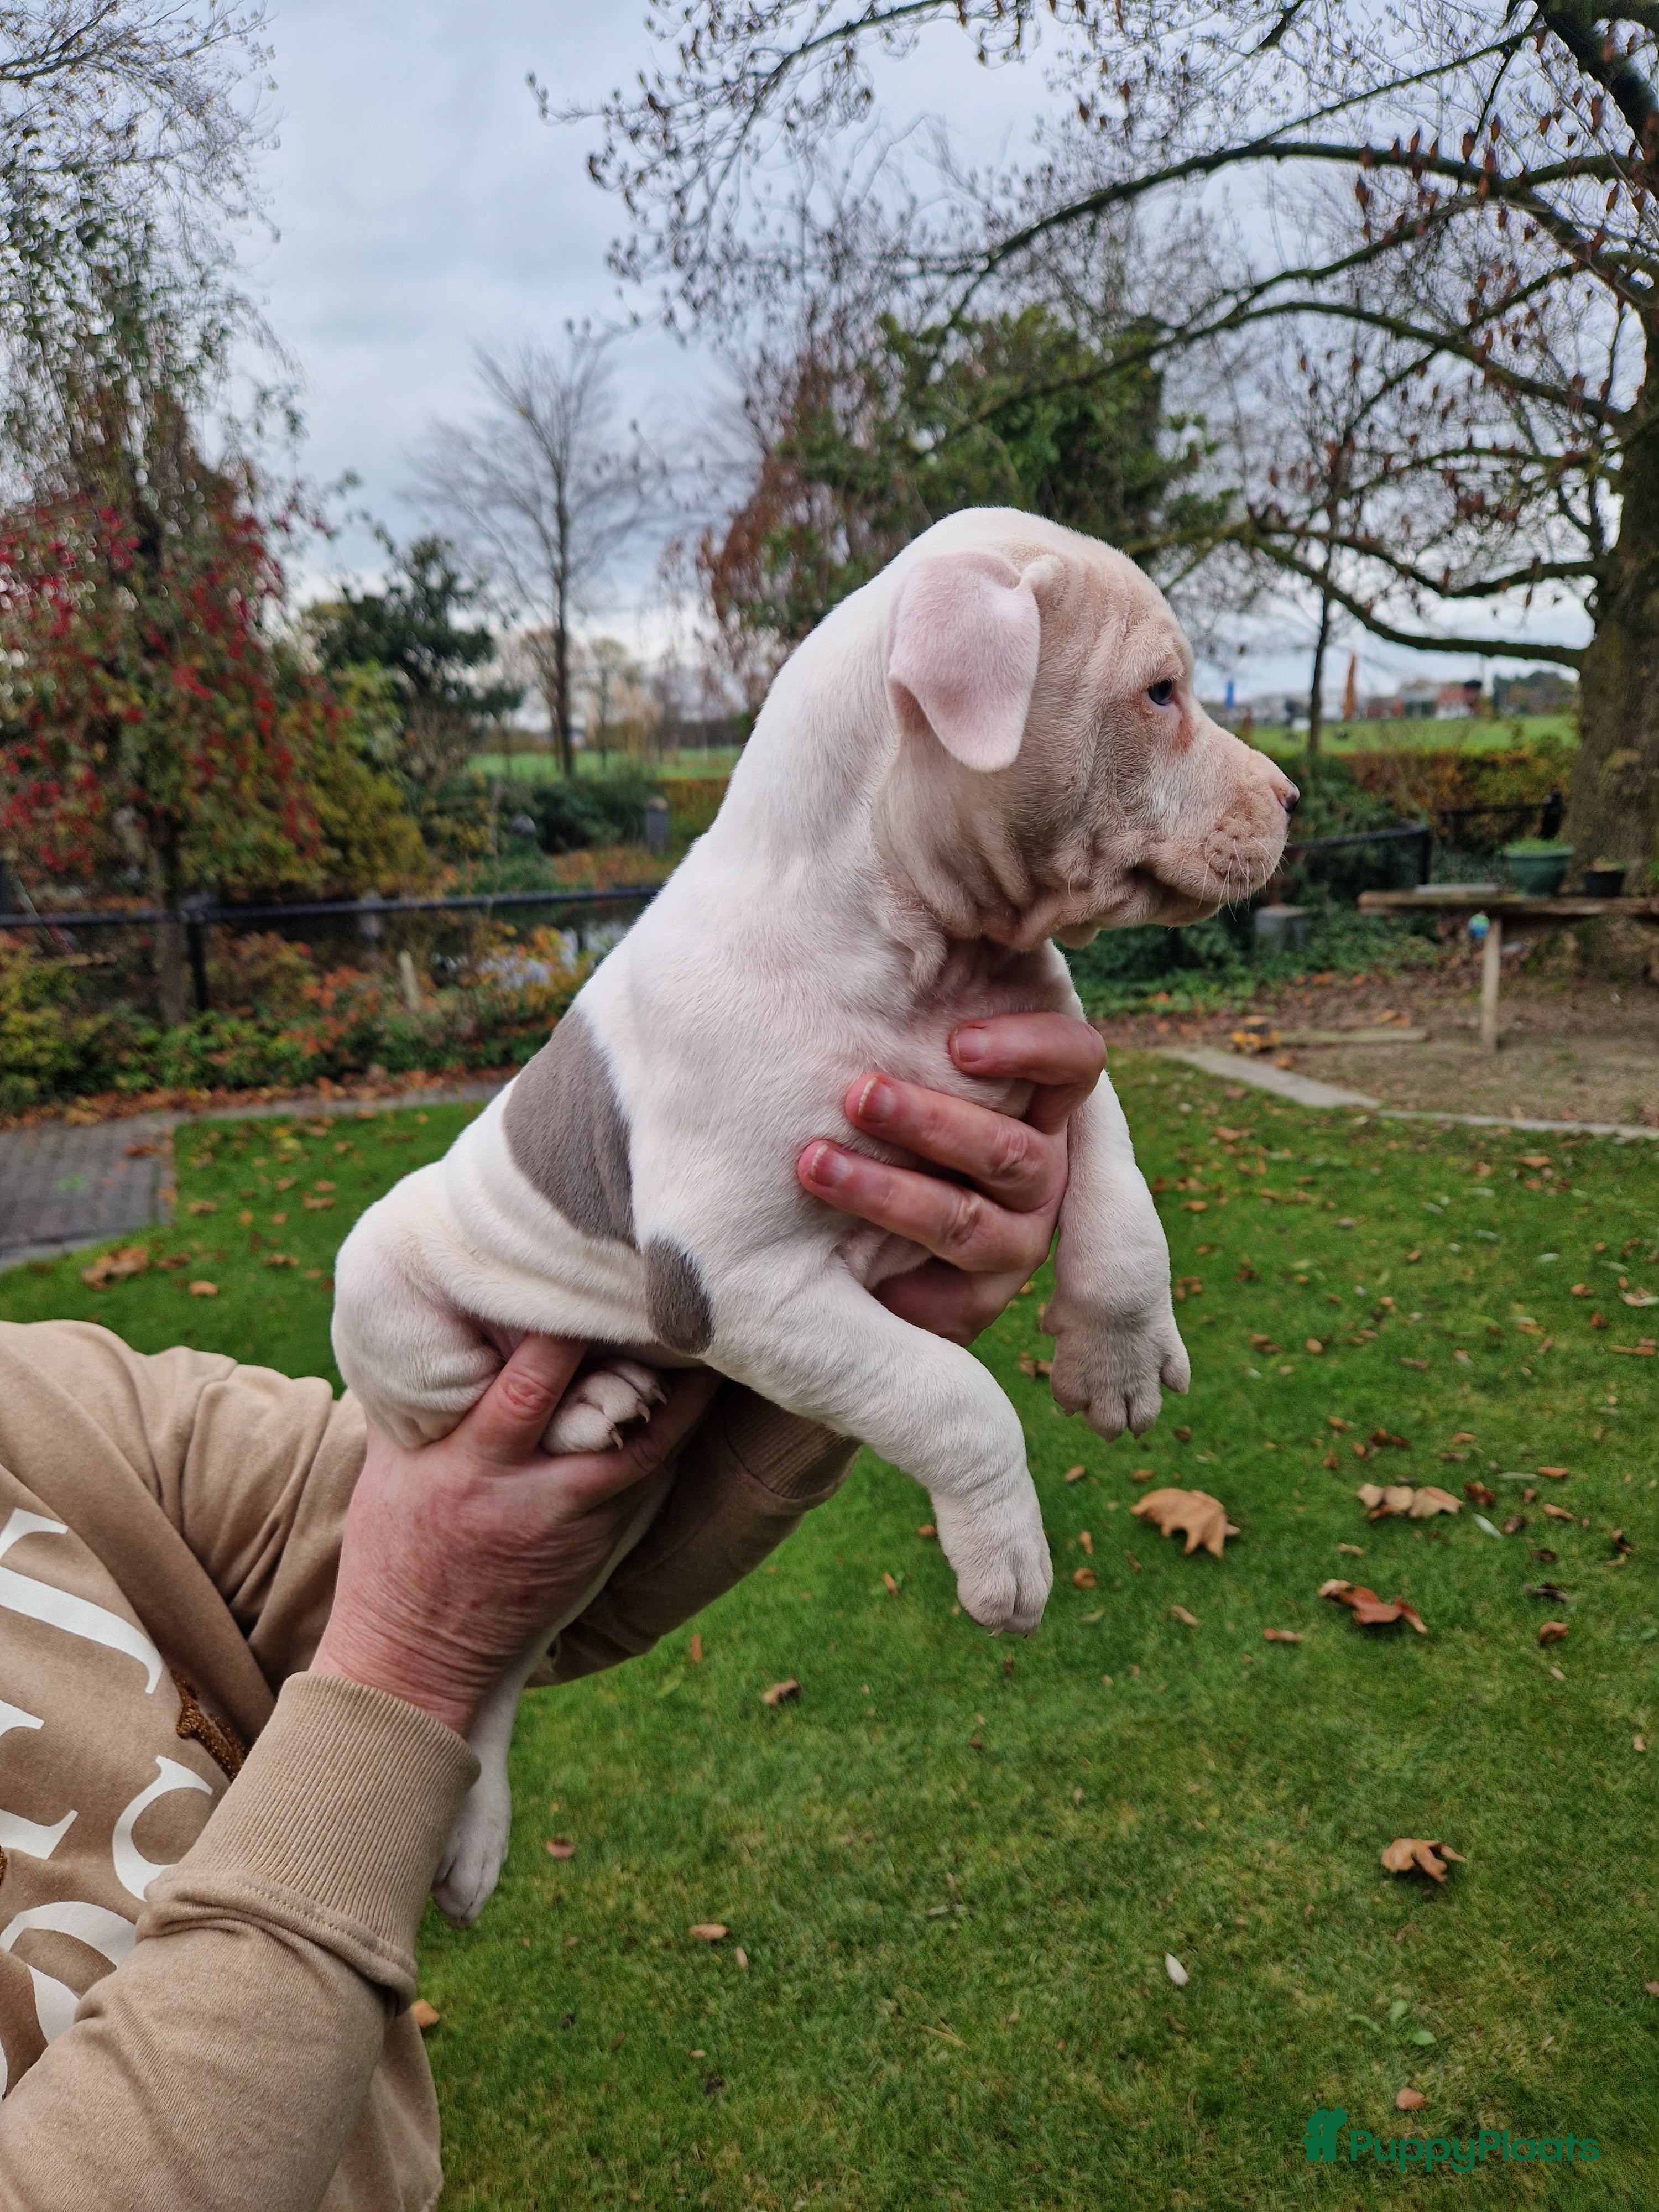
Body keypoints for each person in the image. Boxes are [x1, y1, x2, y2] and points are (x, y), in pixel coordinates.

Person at [0, 1013, 1103, 2209]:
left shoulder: (35, 1400)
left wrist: (861, 1321)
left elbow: (439, 1510)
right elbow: (424, 1578)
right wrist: (410, 1658)